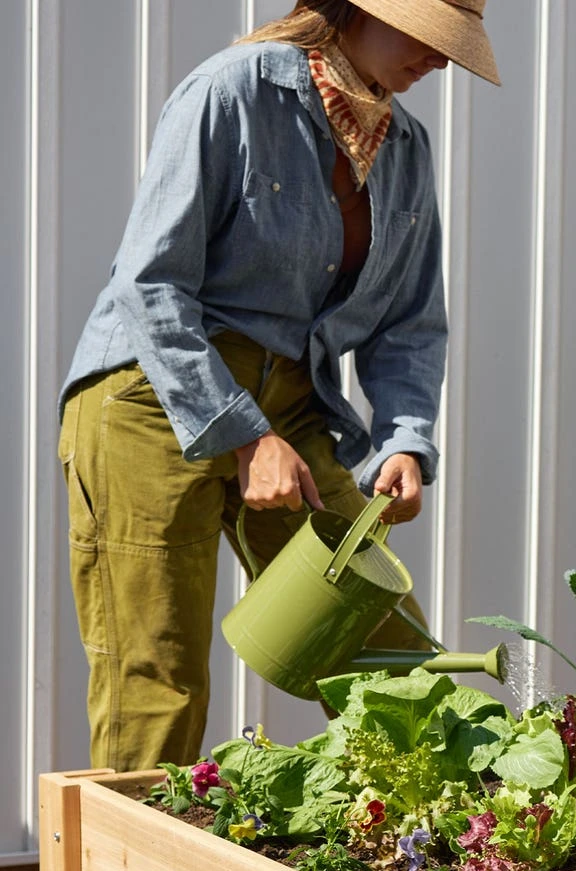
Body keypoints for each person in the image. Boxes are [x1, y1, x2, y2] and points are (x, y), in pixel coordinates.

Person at [57, 0, 500, 771]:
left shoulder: (406, 152)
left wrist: (404, 438)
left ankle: (437, 868)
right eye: (428, 38)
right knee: (157, 676)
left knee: (386, 652)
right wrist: (240, 435)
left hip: (291, 404)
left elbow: (410, 324)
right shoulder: (232, 92)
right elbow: (151, 283)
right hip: (153, 397)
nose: (438, 60)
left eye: (451, 48)